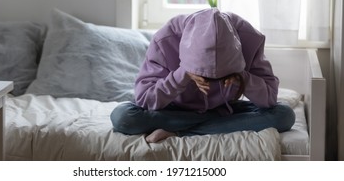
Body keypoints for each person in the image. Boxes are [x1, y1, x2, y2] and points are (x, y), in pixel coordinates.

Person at [110, 8, 295, 143]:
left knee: (284, 115)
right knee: (123, 117)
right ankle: (214, 126)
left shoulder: (250, 39)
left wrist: (243, 79)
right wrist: (182, 76)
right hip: (175, 110)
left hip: (226, 109)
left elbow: (270, 99)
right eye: (205, 78)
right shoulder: (165, 40)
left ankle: (180, 132)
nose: (211, 83)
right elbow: (144, 99)